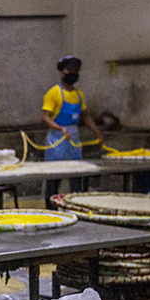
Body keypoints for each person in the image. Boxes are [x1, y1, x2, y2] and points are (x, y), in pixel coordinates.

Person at [41, 55, 105, 202]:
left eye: (76, 71)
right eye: (70, 70)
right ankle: (51, 209)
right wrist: (60, 129)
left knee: (76, 177)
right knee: (53, 178)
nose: (73, 74)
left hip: (73, 139)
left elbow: (86, 117)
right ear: (61, 72)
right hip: (57, 140)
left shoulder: (78, 94)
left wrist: (98, 134)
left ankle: (77, 206)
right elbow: (45, 117)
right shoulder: (54, 93)